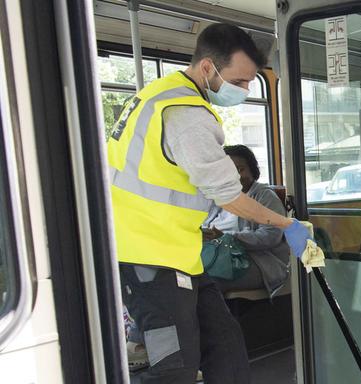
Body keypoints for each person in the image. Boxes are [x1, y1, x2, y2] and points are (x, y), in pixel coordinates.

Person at [106, 24, 311, 383]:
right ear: (207, 68)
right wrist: (286, 224)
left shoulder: (159, 95)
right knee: (175, 367)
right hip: (149, 258)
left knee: (226, 346)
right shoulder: (185, 115)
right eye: (241, 81)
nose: (246, 90)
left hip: (179, 254)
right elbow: (229, 196)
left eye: (251, 83)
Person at [203, 145, 290, 296]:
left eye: (240, 169)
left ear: (252, 170)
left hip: (257, 262)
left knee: (207, 282)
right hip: (220, 257)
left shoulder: (265, 196)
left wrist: (227, 237)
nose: (234, 176)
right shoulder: (217, 199)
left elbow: (271, 236)